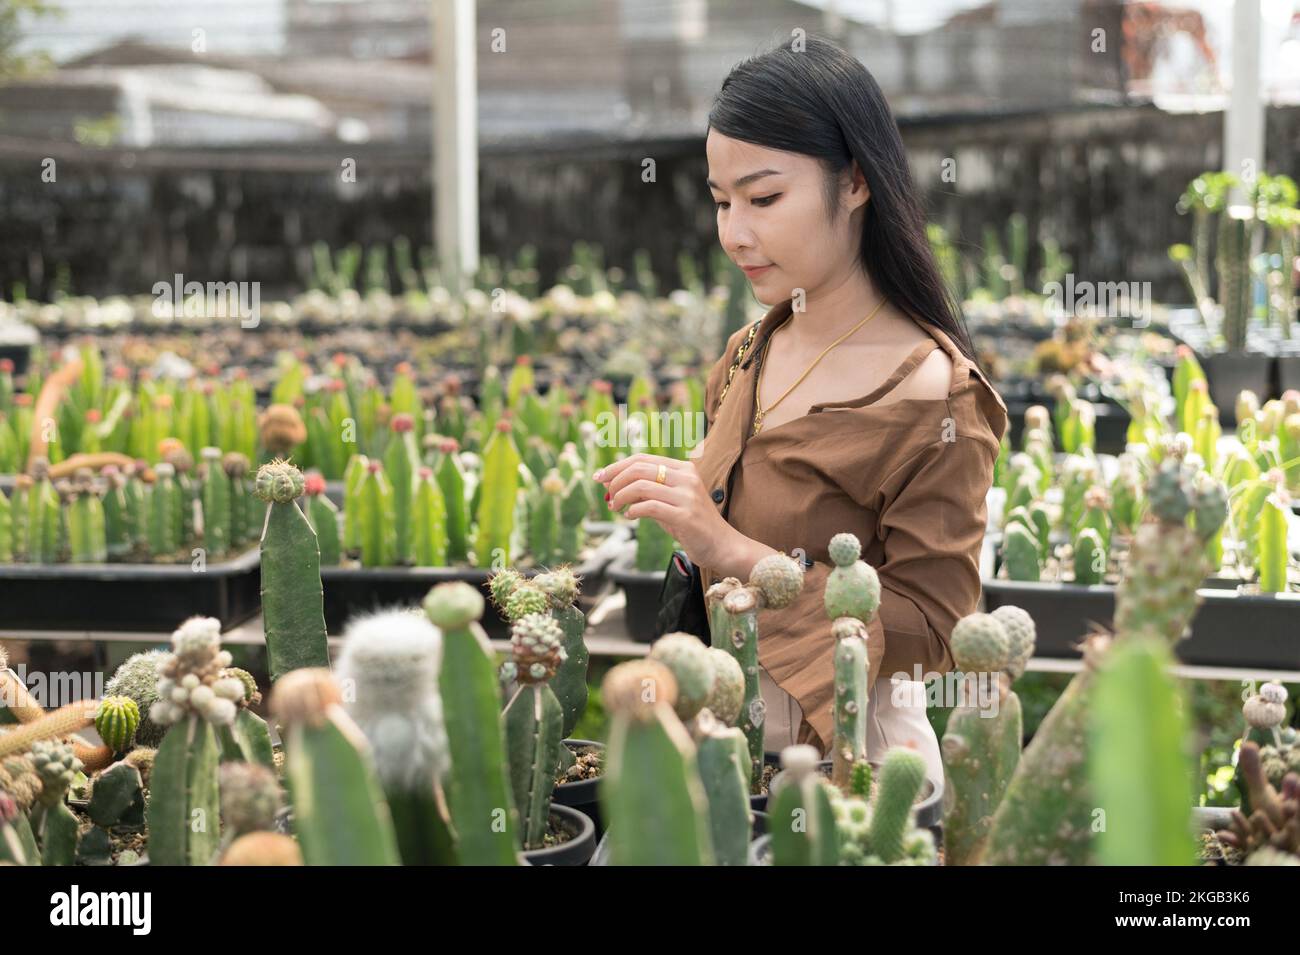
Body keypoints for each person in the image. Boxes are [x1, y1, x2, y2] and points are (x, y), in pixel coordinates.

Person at [593, 35, 1006, 787]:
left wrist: (729, 546)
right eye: (721, 202)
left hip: (853, 772)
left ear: (854, 183)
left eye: (763, 198)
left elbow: (935, 634)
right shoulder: (751, 349)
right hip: (719, 751)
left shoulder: (935, 396)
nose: (734, 233)